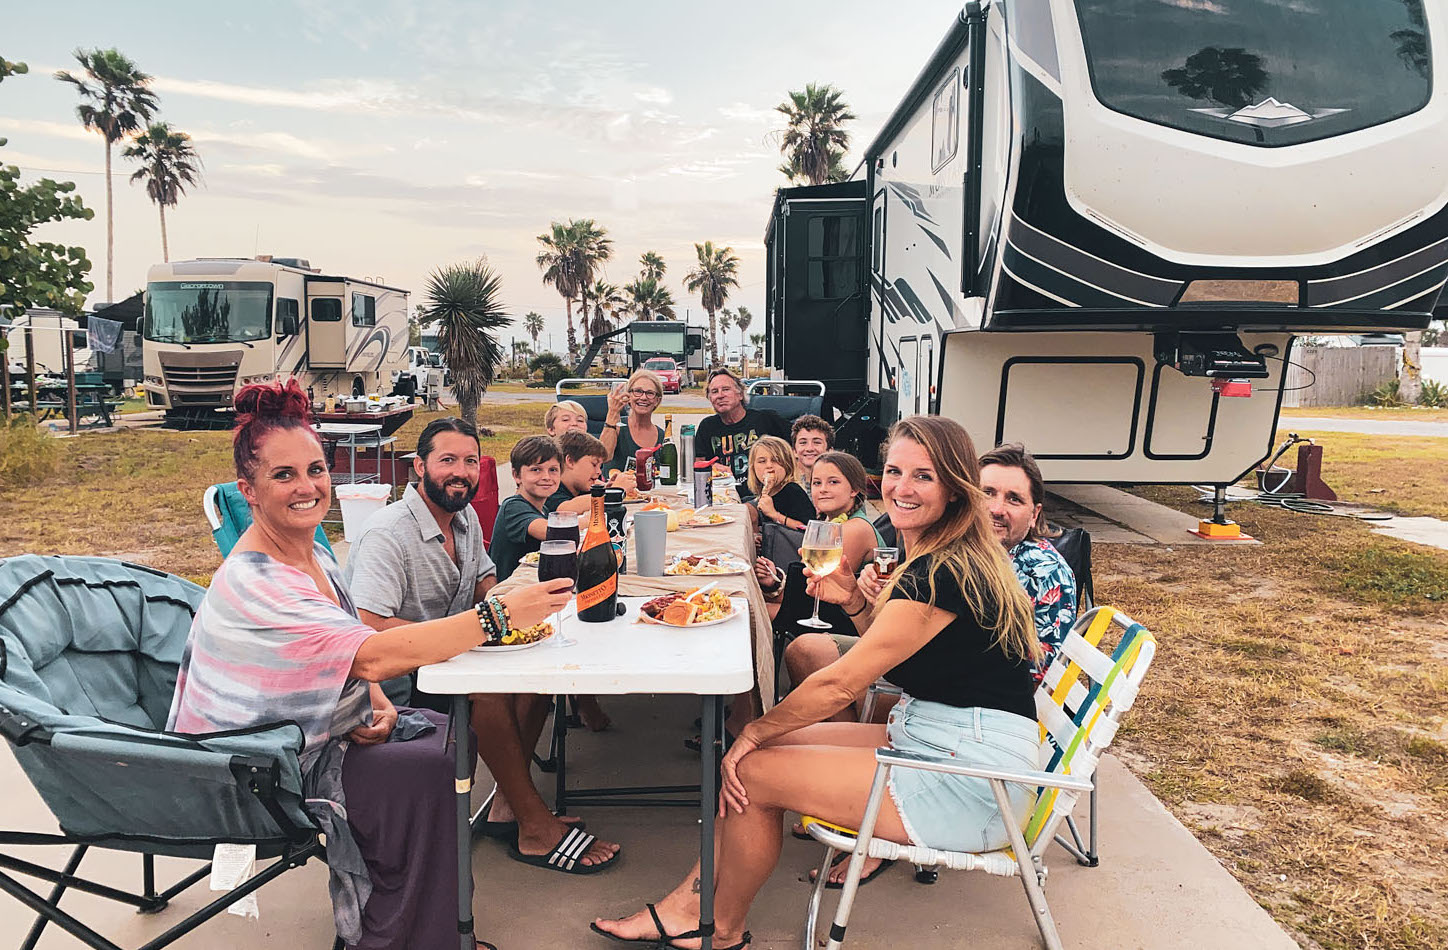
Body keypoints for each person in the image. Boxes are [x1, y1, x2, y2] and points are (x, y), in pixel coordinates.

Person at [591, 415, 1041, 949]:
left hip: (974, 782)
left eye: (924, 475)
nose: (901, 487)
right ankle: (692, 902)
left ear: (953, 485)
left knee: (751, 767)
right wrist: (852, 599)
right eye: (894, 471)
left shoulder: (940, 572)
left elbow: (843, 684)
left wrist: (754, 729)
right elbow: (897, 656)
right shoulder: (950, 556)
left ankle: (718, 924)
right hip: (948, 740)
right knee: (756, 753)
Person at [168, 380, 575, 950]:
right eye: (283, 475)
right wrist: (497, 616)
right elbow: (372, 650)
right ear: (249, 490)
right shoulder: (258, 579)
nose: (307, 486)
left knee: (445, 733)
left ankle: (427, 921)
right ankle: (402, 936)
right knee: (428, 768)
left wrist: (380, 704)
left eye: (315, 469)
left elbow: (349, 651)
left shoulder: (312, 554)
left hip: (314, 735)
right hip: (264, 771)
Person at [347, 420, 622, 877]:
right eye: (447, 460)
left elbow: (483, 582)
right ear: (419, 467)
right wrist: (467, 635)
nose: (461, 471)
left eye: (470, 461)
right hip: (397, 680)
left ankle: (506, 807)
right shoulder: (387, 534)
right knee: (489, 694)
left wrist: (510, 614)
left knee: (539, 675)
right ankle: (535, 826)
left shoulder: (467, 517)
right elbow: (369, 627)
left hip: (456, 652)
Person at [978, 442, 1077, 679]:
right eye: (987, 493)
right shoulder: (968, 553)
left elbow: (1041, 679)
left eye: (1013, 499)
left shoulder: (1045, 573)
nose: (996, 509)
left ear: (1034, 514)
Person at [692, 367, 786, 498]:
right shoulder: (707, 427)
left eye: (726, 389)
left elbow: (798, 443)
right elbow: (698, 463)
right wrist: (713, 467)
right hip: (724, 497)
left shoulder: (765, 419)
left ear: (740, 394)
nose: (720, 395)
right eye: (714, 391)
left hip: (765, 495)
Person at [488, 435, 560, 582]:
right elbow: (552, 531)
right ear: (516, 475)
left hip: (533, 585)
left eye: (553, 470)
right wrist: (591, 520)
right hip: (508, 592)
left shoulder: (543, 509)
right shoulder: (513, 507)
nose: (546, 477)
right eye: (536, 470)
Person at [599, 368, 665, 475]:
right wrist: (613, 412)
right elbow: (603, 457)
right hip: (616, 489)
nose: (643, 397)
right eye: (638, 391)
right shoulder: (616, 426)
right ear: (628, 396)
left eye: (650, 393)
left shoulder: (662, 436)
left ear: (657, 400)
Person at [747, 436, 816, 531]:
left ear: (787, 465)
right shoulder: (764, 494)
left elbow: (808, 529)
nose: (769, 466)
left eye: (776, 460)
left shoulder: (792, 491)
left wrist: (774, 514)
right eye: (762, 461)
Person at [546, 430, 614, 515]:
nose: (599, 471)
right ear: (570, 461)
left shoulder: (582, 487)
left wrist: (607, 487)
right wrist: (613, 492)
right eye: (594, 464)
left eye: (600, 467)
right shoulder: (550, 487)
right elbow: (564, 510)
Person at [790, 414, 836, 487]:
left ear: (830, 451)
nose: (809, 448)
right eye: (803, 443)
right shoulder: (788, 488)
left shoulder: (840, 484)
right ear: (794, 451)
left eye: (817, 442)